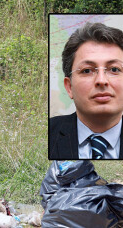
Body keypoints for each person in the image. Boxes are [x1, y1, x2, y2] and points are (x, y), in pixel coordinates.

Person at [49, 22, 123, 159]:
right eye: (87, 70)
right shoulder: (47, 134)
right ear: (69, 86)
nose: (102, 80)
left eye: (114, 69)